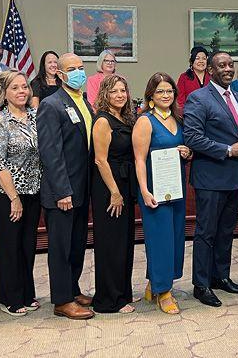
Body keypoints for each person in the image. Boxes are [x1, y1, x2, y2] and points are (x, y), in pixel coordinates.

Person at [184, 51, 238, 307]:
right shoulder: (198, 98)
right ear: (210, 70)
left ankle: (220, 276)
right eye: (222, 65)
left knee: (226, 232)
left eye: (231, 64)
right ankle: (201, 284)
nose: (228, 68)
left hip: (234, 177)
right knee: (206, 233)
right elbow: (192, 137)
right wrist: (226, 150)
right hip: (210, 177)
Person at [37, 53, 95, 319]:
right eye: (72, 69)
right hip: (62, 192)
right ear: (59, 74)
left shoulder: (83, 102)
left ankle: (72, 288)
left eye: (81, 68)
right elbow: (50, 152)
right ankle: (62, 300)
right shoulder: (51, 104)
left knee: (76, 244)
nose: (78, 73)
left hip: (82, 188)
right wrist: (62, 190)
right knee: (60, 247)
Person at [134, 73, 192, 314]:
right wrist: (145, 191)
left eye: (169, 91)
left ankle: (153, 283)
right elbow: (138, 160)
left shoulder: (178, 119)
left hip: (175, 189)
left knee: (175, 239)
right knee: (160, 241)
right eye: (160, 92)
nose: (165, 95)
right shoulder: (145, 121)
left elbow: (185, 148)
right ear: (151, 96)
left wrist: (187, 152)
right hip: (154, 192)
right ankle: (164, 292)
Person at [0, 69, 41, 316]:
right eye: (16, 88)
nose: (22, 91)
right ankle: (10, 297)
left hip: (33, 190)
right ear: (5, 93)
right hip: (6, 193)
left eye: (24, 87)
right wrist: (14, 199)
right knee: (11, 244)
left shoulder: (35, 116)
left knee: (28, 244)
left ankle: (27, 292)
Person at [90, 75, 138, 313]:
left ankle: (123, 292)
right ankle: (109, 300)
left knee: (125, 242)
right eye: (114, 91)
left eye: (123, 90)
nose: (120, 95)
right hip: (109, 187)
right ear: (105, 94)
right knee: (111, 244)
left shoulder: (125, 118)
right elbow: (100, 160)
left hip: (125, 183)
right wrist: (115, 192)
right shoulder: (102, 121)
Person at [177, 46, 210, 110]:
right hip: (190, 115)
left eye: (204, 58)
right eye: (197, 58)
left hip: (211, 115)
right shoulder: (184, 77)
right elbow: (180, 101)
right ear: (192, 61)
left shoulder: (213, 77)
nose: (201, 61)